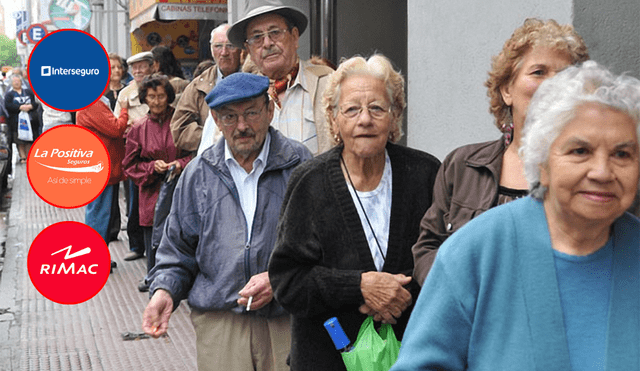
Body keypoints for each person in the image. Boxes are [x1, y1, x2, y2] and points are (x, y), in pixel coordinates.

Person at [391, 60, 640, 371]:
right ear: (542, 162)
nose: (603, 172)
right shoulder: (475, 253)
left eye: (622, 154)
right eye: (580, 151)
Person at [268, 55, 441, 370]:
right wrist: (360, 287)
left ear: (395, 115)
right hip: (327, 358)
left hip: (413, 356)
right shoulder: (310, 182)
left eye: (377, 108)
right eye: (351, 109)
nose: (365, 119)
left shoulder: (425, 174)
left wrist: (399, 296)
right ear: (333, 119)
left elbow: (445, 263)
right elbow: (288, 282)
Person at [142, 73, 312, 371]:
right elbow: (177, 250)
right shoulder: (198, 174)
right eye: (229, 117)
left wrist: (279, 278)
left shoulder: (299, 164)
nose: (242, 126)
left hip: (287, 317)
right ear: (216, 122)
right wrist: (164, 292)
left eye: (251, 113)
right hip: (221, 321)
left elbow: (321, 244)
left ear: (270, 110)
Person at [412, 18, 590, 285]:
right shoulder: (462, 166)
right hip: (474, 321)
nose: (552, 84)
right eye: (539, 72)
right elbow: (427, 248)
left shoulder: (594, 173)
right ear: (507, 90)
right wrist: (457, 291)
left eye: (564, 75)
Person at [227, 0, 334, 155]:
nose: (267, 43)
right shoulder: (236, 94)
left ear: (295, 37)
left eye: (275, 32)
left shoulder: (328, 84)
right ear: (248, 49)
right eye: (257, 37)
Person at [123, 74, 192, 291]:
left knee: (182, 235)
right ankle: (153, 276)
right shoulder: (138, 128)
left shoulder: (180, 121)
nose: (156, 101)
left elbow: (196, 152)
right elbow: (129, 165)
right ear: (145, 98)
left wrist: (180, 163)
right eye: (151, 97)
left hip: (181, 187)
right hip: (152, 190)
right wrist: (152, 167)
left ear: (169, 97)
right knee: (153, 236)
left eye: (161, 96)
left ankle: (183, 278)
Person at [170, 23, 242, 153]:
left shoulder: (255, 78)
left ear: (241, 48)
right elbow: (179, 129)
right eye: (218, 46)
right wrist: (214, 137)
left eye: (230, 46)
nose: (224, 52)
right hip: (211, 163)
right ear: (211, 50)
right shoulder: (198, 85)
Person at [77, 95, 129, 273]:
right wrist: (124, 110)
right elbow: (116, 129)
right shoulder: (92, 104)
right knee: (99, 214)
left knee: (100, 213)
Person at [116, 51, 155, 262]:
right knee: (134, 202)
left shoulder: (159, 88)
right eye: (135, 68)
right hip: (134, 152)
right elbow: (117, 123)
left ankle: (156, 245)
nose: (138, 71)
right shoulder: (125, 94)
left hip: (157, 151)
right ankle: (136, 245)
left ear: (152, 67)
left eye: (142, 66)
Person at [4, 74, 39, 163]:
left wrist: (30, 106)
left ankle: (29, 155)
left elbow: (36, 102)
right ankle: (23, 157)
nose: (16, 83)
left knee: (30, 139)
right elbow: (8, 105)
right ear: (11, 83)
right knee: (20, 140)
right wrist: (19, 107)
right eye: (15, 81)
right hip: (16, 121)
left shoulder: (28, 92)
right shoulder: (9, 94)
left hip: (30, 119)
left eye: (18, 81)